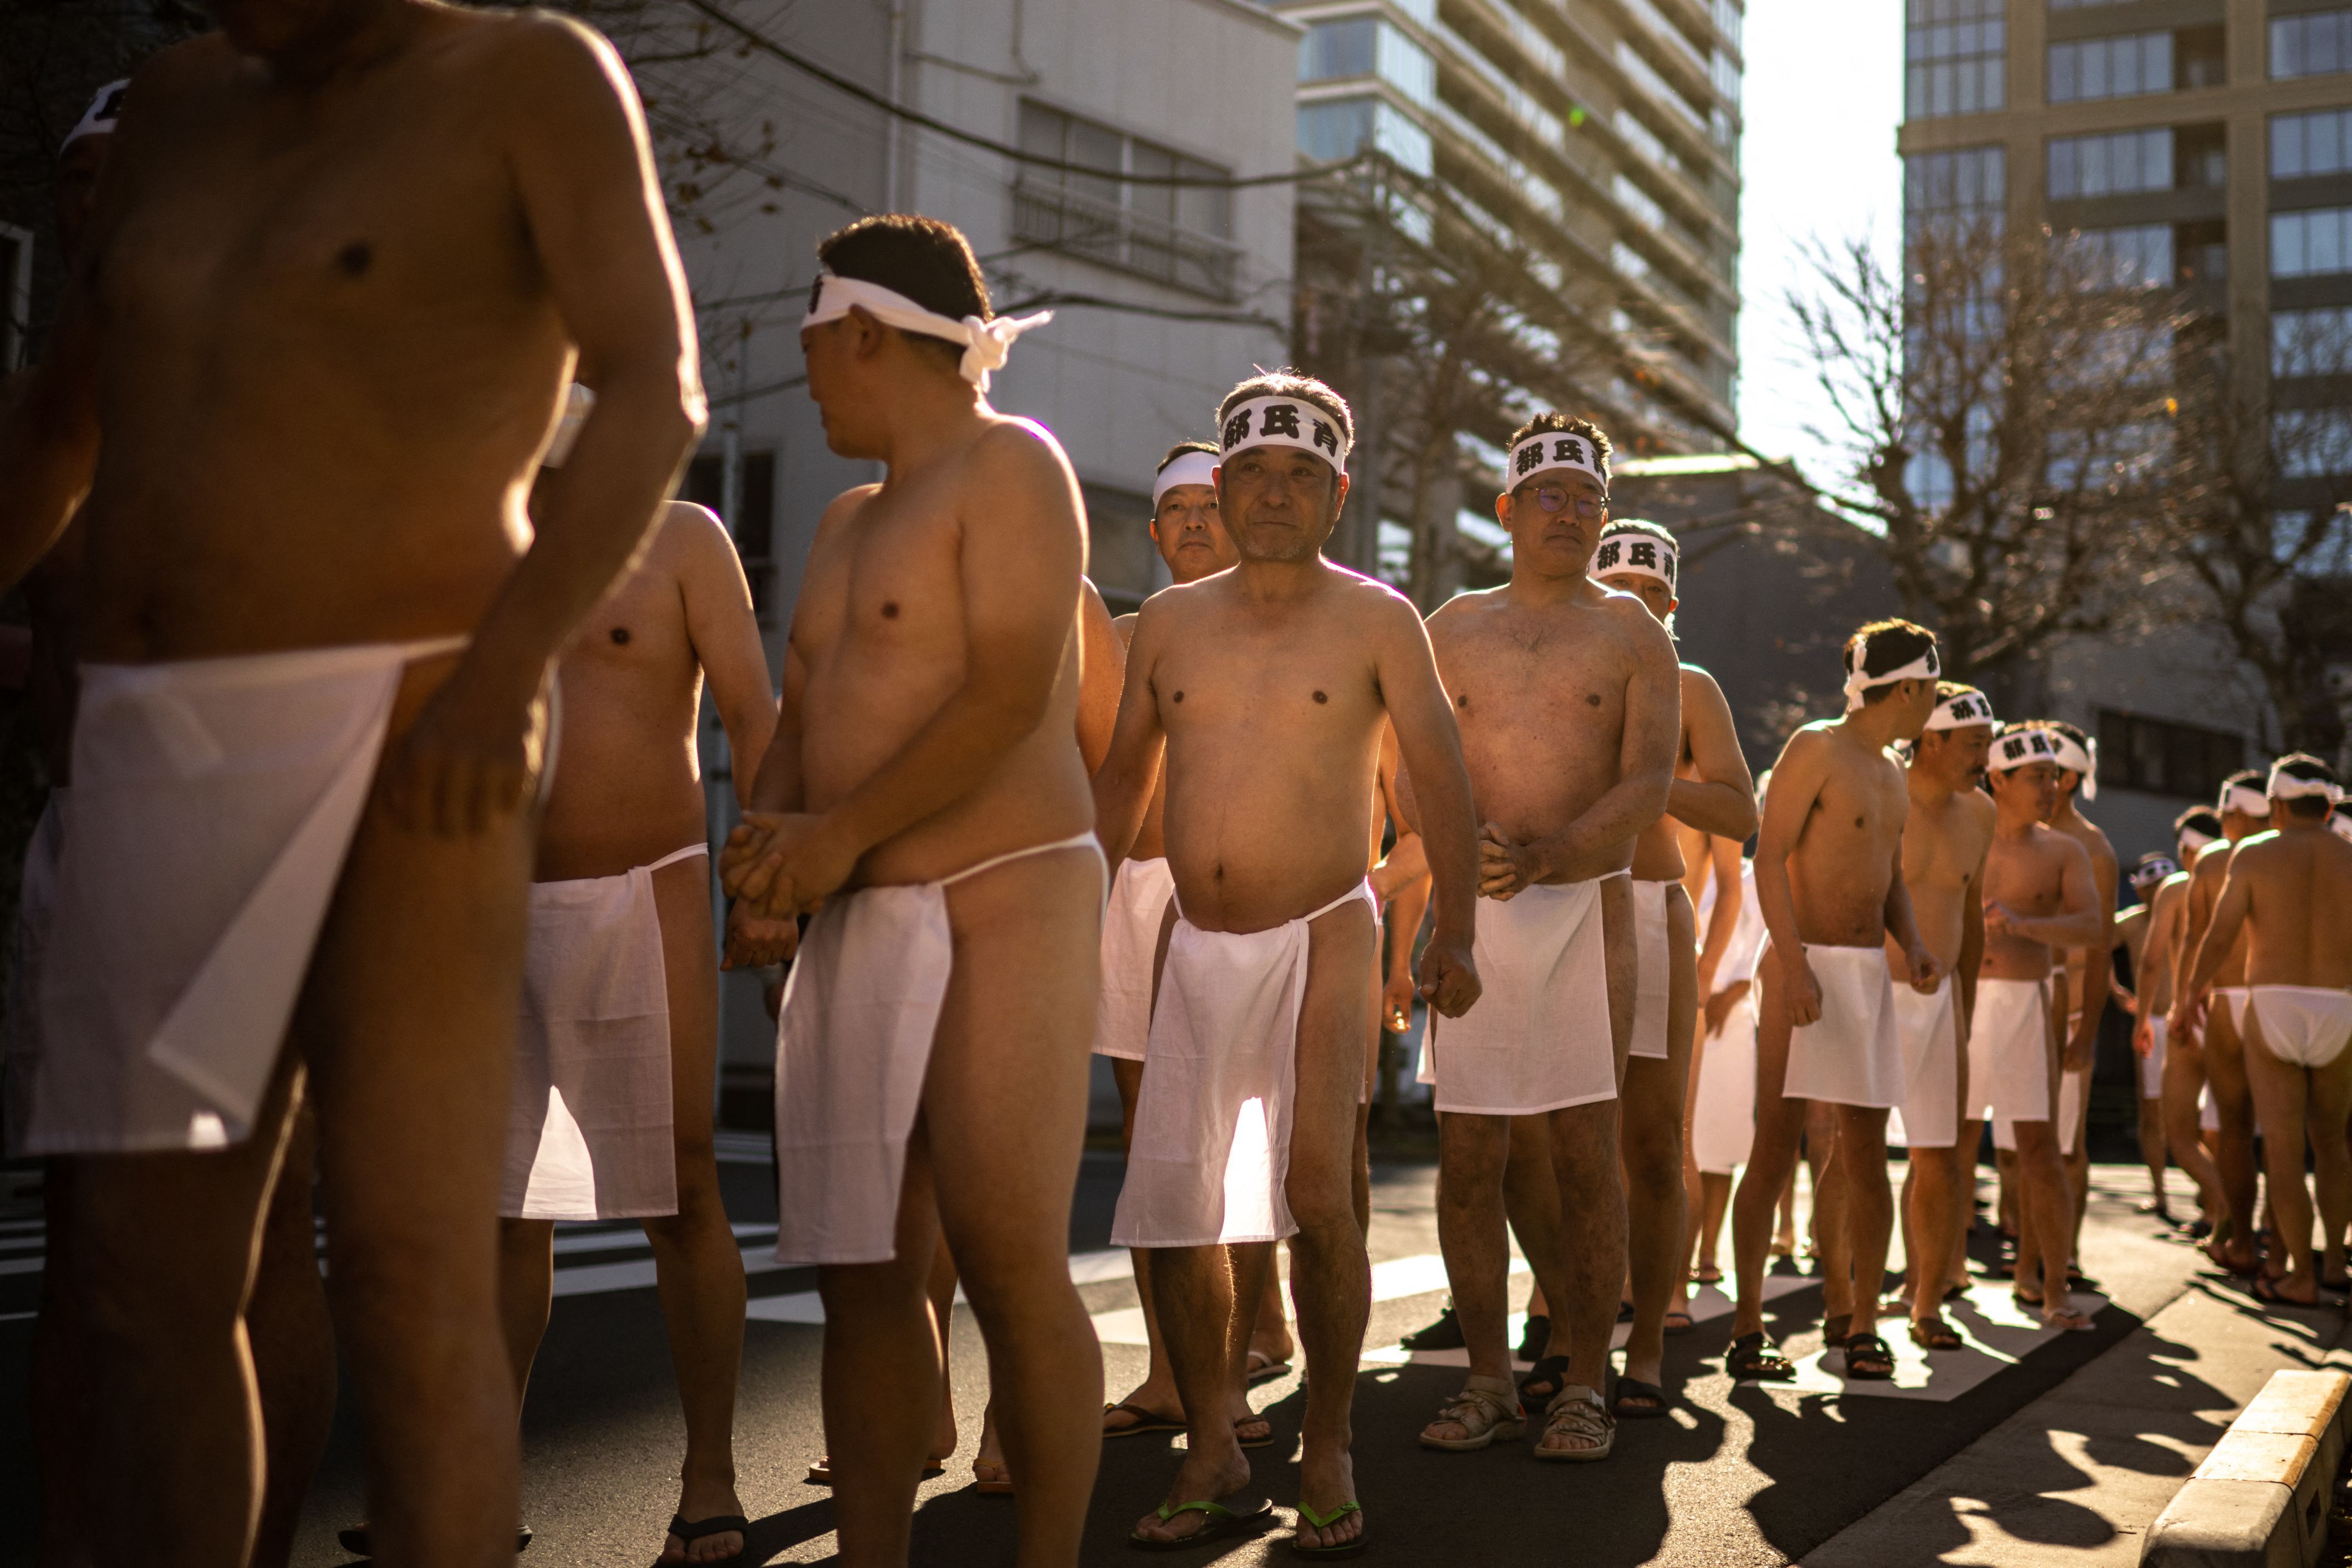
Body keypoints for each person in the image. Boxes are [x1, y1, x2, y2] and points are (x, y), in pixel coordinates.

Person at [0, 6, 707, 1561]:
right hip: (149, 739)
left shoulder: (530, 78)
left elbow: (656, 388)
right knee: (141, 1288)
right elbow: (64, 417)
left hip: (414, 712)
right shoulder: (179, 102)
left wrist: (506, 671)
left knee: (407, 1261)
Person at [719, 215, 1104, 1567]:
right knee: (869, 1278)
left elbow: (1007, 691)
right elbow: (805, 712)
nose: (808, 375)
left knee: (1006, 1258)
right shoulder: (841, 523)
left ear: (865, 333)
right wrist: (770, 849)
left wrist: (836, 841)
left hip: (1009, 892)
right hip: (857, 912)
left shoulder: (1017, 469)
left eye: (814, 348)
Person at [1093, 370, 1482, 1554]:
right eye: (1252, 471)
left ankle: (1325, 1438)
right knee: (1173, 1207)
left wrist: (1452, 924)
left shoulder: (1377, 618)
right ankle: (1213, 1443)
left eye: (1300, 474)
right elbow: (1118, 786)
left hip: (1325, 924)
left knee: (1318, 1194)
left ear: (1336, 491)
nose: (1271, 493)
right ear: (1221, 480)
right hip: (1191, 940)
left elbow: (1443, 779)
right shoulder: (1165, 624)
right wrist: (1060, 915)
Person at [487, 400, 775, 1562]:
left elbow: (753, 709)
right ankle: (476, 1475)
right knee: (499, 1208)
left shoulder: (683, 536)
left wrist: (764, 877)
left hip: (644, 883)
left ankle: (710, 1475)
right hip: (489, 900)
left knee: (682, 1190)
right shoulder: (476, 537)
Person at [1407, 415, 1677, 1459]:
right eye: (1549, 494)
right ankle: (1485, 1375)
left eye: (1586, 497)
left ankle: (1584, 1380)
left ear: (1602, 516)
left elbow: (1647, 780)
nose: (1568, 511)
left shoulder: (1631, 633)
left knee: (1583, 1152)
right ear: (1507, 507)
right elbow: (1408, 766)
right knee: (1469, 1152)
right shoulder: (1448, 626)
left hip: (1584, 905)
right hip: (1472, 903)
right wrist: (1454, 877)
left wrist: (1554, 850)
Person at [1090, 442, 1272, 1453]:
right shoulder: (1122, 634)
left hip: (1241, 898)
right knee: (1153, 1147)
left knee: (1240, 1144)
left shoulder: (1283, 626)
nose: (1198, 521)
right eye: (1178, 511)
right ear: (1154, 532)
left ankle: (1236, 1369)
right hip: (1130, 894)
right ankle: (1170, 1372)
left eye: (1215, 502)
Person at [1724, 620, 1942, 1383]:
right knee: (1775, 1146)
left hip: (1860, 973)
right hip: (1800, 963)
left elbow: (1889, 878)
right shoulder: (1817, 746)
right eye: (1932, 689)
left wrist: (1908, 942)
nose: (1934, 704)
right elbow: (1768, 858)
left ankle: (1857, 1322)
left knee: (1862, 1152)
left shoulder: (1891, 771)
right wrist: (1790, 966)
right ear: (1909, 686)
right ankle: (1748, 1325)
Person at [1591, 516, 1757, 1414]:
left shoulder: (1691, 686)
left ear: (1672, 603)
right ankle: (1561, 1329)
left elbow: (1736, 813)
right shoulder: (1556, 663)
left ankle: (1647, 1343)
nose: (1635, 605)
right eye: (1619, 586)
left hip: (1655, 912)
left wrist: (1649, 786)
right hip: (1560, 909)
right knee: (1554, 1143)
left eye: (1651, 593)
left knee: (1655, 1143)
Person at [2175, 756, 2352, 1306]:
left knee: (2281, 1146)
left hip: (2273, 1001)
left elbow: (2220, 934)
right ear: (2327, 807)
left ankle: (2298, 1273)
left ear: (2276, 805)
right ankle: (2333, 1265)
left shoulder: (2254, 854)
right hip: (2340, 1008)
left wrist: (2187, 998)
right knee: (2331, 1145)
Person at [1966, 725, 2104, 1330]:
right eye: (2037, 777)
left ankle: (2053, 1286)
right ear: (1998, 779)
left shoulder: (2066, 850)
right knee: (1947, 1149)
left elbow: (2092, 925)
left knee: (2041, 1149)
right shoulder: (1961, 831)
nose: (2051, 788)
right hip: (1965, 999)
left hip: (2029, 998)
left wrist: (2025, 925)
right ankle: (1934, 1281)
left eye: (2054, 776)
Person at [1886, 684, 1997, 1349]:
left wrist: (1968, 1001)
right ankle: (1847, 1300)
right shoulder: (1881, 792)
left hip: (1942, 1001)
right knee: (1849, 1153)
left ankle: (1929, 1300)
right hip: (1873, 993)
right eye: (1976, 743)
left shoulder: (1980, 813)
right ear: (1933, 739)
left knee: (1944, 1155)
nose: (1987, 756)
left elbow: (1971, 914)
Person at [2174, 769, 2274, 1275]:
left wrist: (2182, 1000)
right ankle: (2280, 1248)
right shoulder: (2291, 856)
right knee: (2281, 1133)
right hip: (2280, 997)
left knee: (2233, 1130)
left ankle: (2236, 1236)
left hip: (2231, 999)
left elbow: (2197, 939)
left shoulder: (2214, 861)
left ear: (2235, 813)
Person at [2038, 722, 2117, 1278]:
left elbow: (2100, 946)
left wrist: (2088, 1033)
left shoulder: (2093, 847)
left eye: (2046, 770)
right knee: (2018, 1146)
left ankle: (2066, 1253)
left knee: (2067, 1144)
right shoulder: (2005, 828)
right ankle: (2026, 1246)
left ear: (2066, 778)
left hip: (2065, 1014)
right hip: (2010, 1002)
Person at [2146, 808, 2226, 1237]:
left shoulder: (2178, 888)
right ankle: (2234, 1220)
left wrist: (2147, 1015)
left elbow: (2150, 961)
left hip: (2189, 1014)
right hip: (2233, 1014)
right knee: (2228, 1132)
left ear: (2185, 848)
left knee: (2179, 1132)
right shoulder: (2244, 872)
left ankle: (2223, 1209)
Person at [1688, 853, 1766, 1286]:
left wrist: (1730, 992)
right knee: (1685, 1139)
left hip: (1731, 1019)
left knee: (1720, 1140)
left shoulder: (1751, 879)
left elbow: (1760, 946)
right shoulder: (1679, 862)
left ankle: (1708, 1250)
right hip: (1688, 1006)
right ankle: (1675, 1258)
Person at [2113, 851, 2181, 1221]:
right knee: (2152, 1112)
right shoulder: (2131, 923)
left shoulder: (2191, 914)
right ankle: (2160, 1192)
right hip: (2153, 1023)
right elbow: (2091, 947)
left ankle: (2212, 1194)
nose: (2158, 895)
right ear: (2140, 890)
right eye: (2152, 887)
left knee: (2201, 1115)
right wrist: (2116, 991)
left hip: (2188, 1019)